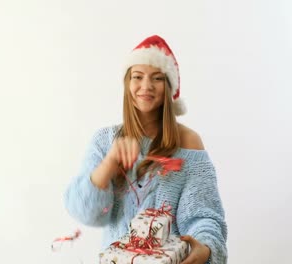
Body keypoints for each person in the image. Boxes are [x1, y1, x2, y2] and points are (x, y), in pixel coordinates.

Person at [64, 35, 228, 264]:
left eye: (157, 78)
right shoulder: (104, 141)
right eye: (137, 77)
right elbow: (84, 211)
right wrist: (110, 164)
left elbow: (204, 216)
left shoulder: (189, 144)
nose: (146, 86)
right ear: (127, 84)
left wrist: (206, 248)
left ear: (169, 87)